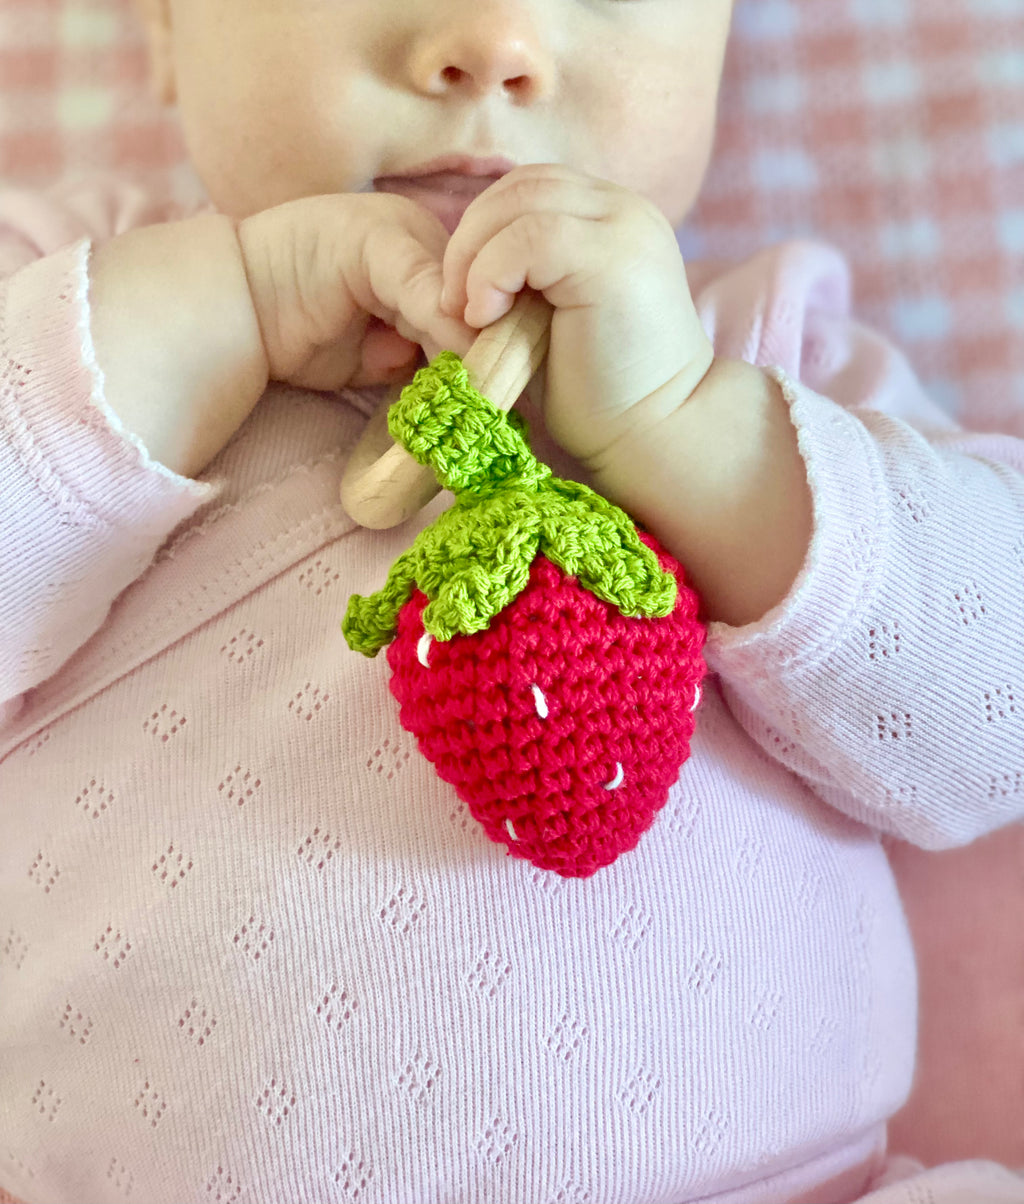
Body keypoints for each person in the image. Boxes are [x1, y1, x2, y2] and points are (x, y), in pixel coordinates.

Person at [0, 0, 1021, 1201]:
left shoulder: (763, 354)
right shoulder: (68, 295)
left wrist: (690, 433)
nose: (493, 38)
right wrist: (206, 317)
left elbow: (988, 726)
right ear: (166, 27)